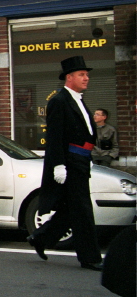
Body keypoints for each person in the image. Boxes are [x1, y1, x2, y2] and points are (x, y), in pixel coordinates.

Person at [26, 56, 103, 271]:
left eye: (87, 74)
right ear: (69, 78)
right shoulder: (59, 101)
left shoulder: (78, 99)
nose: (86, 78)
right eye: (82, 74)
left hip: (81, 160)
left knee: (73, 208)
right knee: (83, 209)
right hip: (70, 161)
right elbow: (55, 137)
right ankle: (90, 258)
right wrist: (58, 165)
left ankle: (41, 238)